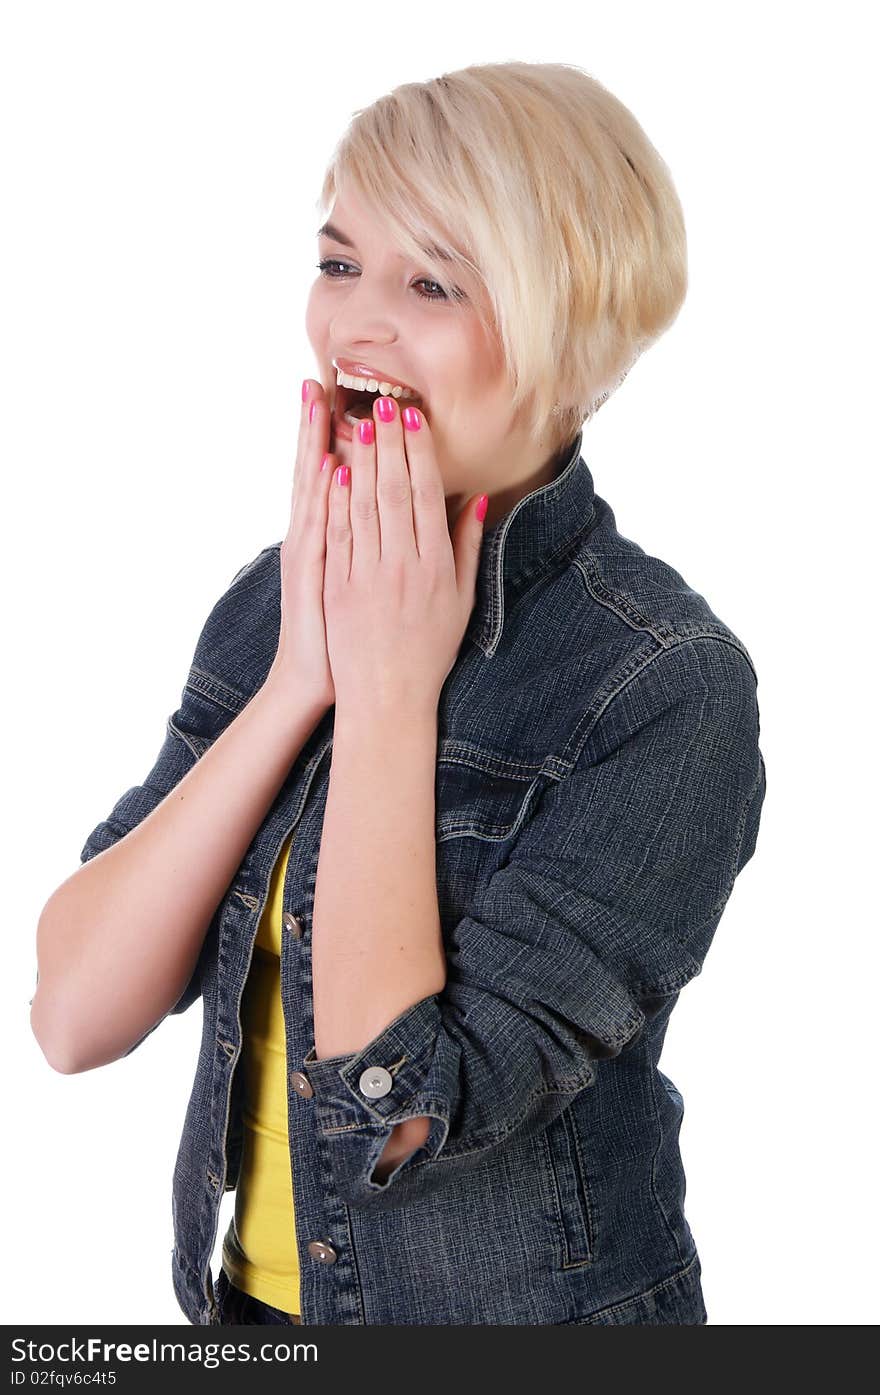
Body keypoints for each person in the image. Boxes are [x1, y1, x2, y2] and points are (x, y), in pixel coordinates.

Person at [31, 60, 767, 1327]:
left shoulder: (664, 686)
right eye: (337, 265)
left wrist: (384, 701)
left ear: (568, 329)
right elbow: (73, 1017)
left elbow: (405, 1107)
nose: (353, 327)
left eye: (431, 283)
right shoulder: (275, 604)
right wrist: (299, 681)